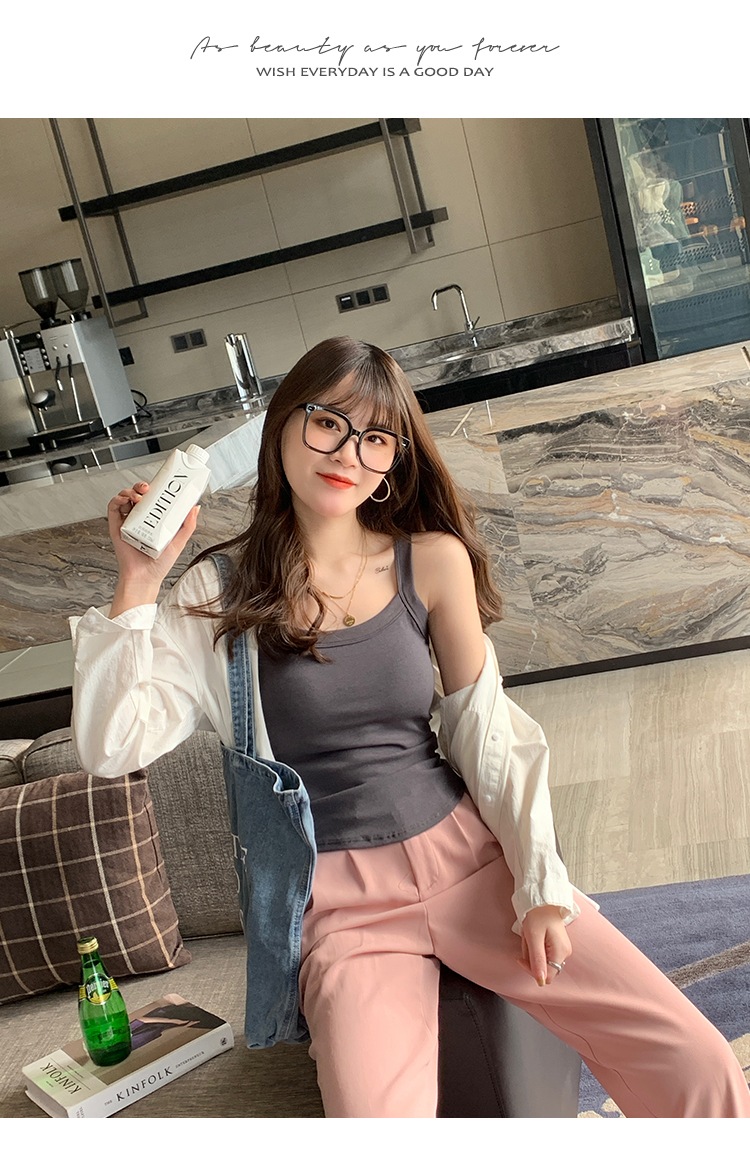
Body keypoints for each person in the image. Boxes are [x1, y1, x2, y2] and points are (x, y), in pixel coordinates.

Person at [70, 336, 750, 1119]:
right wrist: (138, 579)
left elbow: (489, 732)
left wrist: (539, 884)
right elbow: (111, 746)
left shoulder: (429, 560)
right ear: (283, 425)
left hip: (467, 864)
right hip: (341, 908)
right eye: (328, 423)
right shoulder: (217, 590)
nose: (348, 454)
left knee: (694, 1060)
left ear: (395, 459)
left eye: (376, 438)